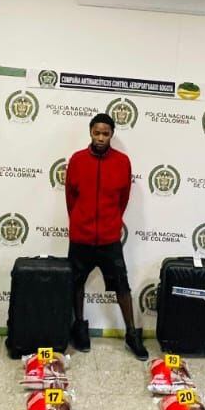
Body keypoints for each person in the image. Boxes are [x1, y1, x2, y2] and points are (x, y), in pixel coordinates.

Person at [65, 113, 147, 360]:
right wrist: (80, 222)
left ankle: (131, 334)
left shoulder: (122, 162)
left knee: (121, 285)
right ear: (90, 132)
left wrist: (111, 222)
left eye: (106, 133)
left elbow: (123, 199)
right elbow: (71, 197)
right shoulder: (77, 160)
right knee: (76, 284)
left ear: (112, 134)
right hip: (81, 236)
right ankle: (80, 327)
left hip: (110, 238)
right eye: (97, 133)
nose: (101, 138)